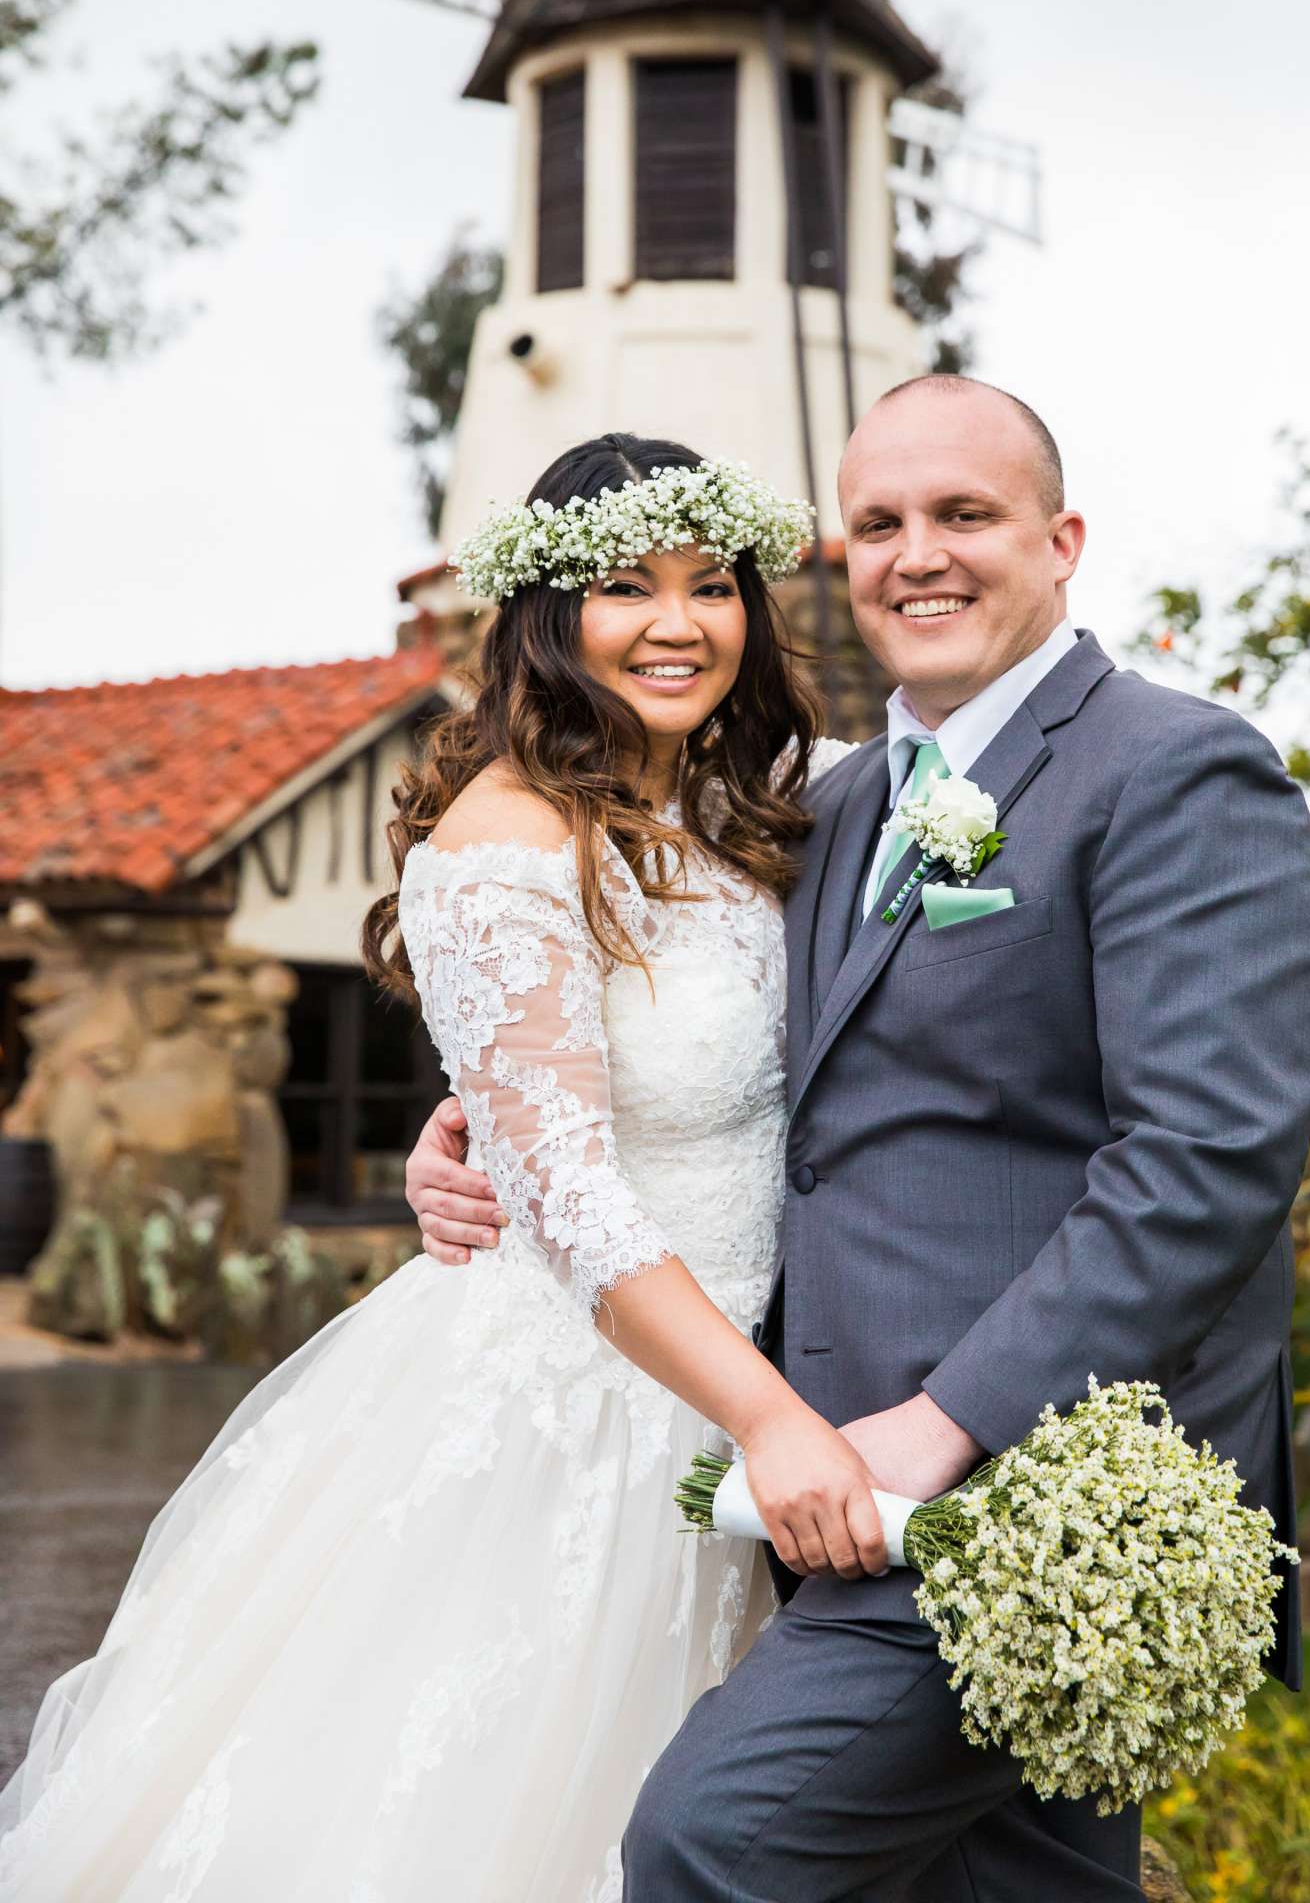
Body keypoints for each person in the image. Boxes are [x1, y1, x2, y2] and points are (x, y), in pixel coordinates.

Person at [410, 374, 1310, 1900]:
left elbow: (1208, 1161)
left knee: (712, 1844)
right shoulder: (820, 804)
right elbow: (674, 1054)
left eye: (966, 515)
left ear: (1062, 537)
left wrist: (949, 1419)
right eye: (880, 524)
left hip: (1037, 1487)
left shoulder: (1173, 768)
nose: (921, 555)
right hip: (796, 1463)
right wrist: (480, 1138)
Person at [0, 433, 867, 1903]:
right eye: (622, 588)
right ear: (543, 613)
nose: (679, 624)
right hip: (591, 1413)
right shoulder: (503, 838)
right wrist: (774, 1422)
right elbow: (576, 1196)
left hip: (757, 1380)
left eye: (711, 585)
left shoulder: (759, 803)